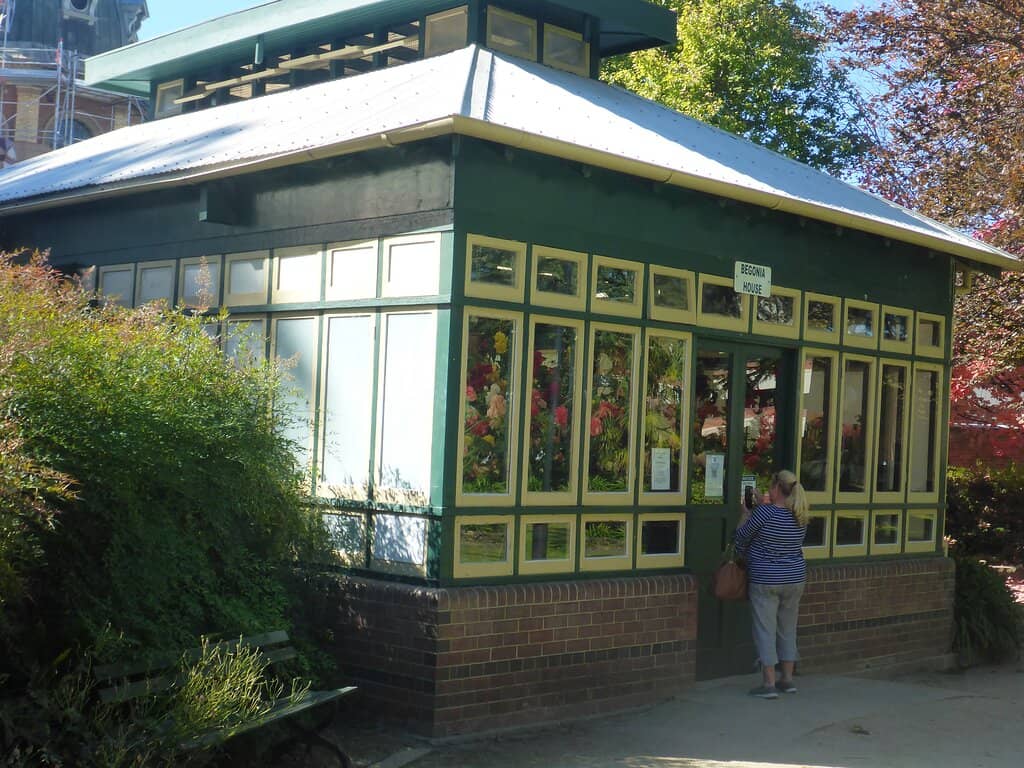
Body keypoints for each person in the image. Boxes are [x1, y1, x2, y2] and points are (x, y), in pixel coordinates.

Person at [734, 469, 809, 699]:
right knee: (788, 629)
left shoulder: (763, 514)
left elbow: (740, 539)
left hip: (766, 579)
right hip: (794, 578)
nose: (768, 489)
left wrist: (746, 513)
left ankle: (769, 683)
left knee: (765, 630)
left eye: (770, 485)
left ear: (777, 488)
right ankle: (787, 679)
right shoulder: (800, 515)